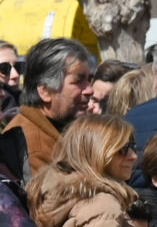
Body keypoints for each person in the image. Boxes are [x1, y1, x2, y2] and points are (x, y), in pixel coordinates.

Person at [1, 36, 94, 182]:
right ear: (45, 91)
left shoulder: (61, 129)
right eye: (78, 81)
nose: (89, 90)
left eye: (89, 79)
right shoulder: (33, 148)